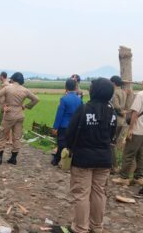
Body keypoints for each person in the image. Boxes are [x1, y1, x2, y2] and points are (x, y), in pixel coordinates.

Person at [65, 78, 117, 233]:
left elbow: (70, 133)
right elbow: (112, 135)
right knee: (99, 193)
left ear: (94, 91)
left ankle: (80, 228)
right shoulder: (112, 112)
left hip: (83, 159)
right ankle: (97, 226)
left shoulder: (84, 109)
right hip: (104, 159)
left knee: (81, 193)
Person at [0, 72, 39, 165]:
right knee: (16, 137)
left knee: (2, 135)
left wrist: (2, 106)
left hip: (9, 113)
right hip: (20, 114)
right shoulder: (25, 90)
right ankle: (13, 159)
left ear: (13, 79)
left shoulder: (7, 88)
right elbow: (36, 99)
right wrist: (27, 106)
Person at [112, 81, 143, 186]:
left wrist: (130, 129)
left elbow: (135, 113)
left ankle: (123, 177)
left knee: (128, 153)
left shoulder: (140, 95)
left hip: (137, 129)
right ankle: (139, 176)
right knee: (140, 154)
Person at [51, 79, 82, 166]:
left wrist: (55, 127)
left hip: (64, 125)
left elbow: (59, 114)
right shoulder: (79, 100)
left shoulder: (64, 99)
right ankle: (70, 161)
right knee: (72, 144)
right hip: (75, 125)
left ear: (65, 87)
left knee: (61, 144)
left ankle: (57, 160)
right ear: (76, 87)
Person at [110, 75, 127, 172]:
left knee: (110, 144)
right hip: (122, 121)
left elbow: (116, 105)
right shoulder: (123, 92)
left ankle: (113, 166)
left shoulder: (114, 92)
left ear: (113, 83)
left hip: (115, 119)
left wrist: (121, 112)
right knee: (114, 143)